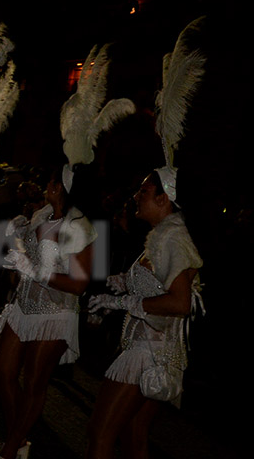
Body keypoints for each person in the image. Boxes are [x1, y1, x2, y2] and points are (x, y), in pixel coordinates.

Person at [86, 171, 202, 459]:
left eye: (144, 191)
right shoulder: (164, 234)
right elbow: (159, 282)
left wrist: (124, 303)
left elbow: (180, 303)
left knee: (100, 434)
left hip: (146, 354)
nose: (136, 197)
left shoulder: (172, 238)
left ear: (163, 199)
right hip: (152, 352)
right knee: (134, 437)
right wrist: (123, 282)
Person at [0, 168, 96, 459]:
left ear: (60, 187)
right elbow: (25, 255)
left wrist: (35, 272)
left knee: (35, 381)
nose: (45, 185)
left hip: (55, 312)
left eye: (50, 181)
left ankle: (10, 448)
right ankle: (20, 437)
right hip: (23, 305)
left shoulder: (79, 226)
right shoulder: (41, 216)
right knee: (3, 372)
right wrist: (15, 243)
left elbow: (78, 284)